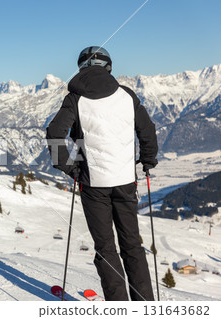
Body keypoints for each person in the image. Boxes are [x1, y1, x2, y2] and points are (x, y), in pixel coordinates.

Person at [46, 46, 158, 301]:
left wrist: (69, 167)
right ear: (108, 67)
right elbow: (147, 130)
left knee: (106, 249)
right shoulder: (127, 96)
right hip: (126, 181)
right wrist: (148, 160)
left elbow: (54, 134)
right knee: (132, 246)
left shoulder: (75, 99)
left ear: (82, 68)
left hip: (93, 184)